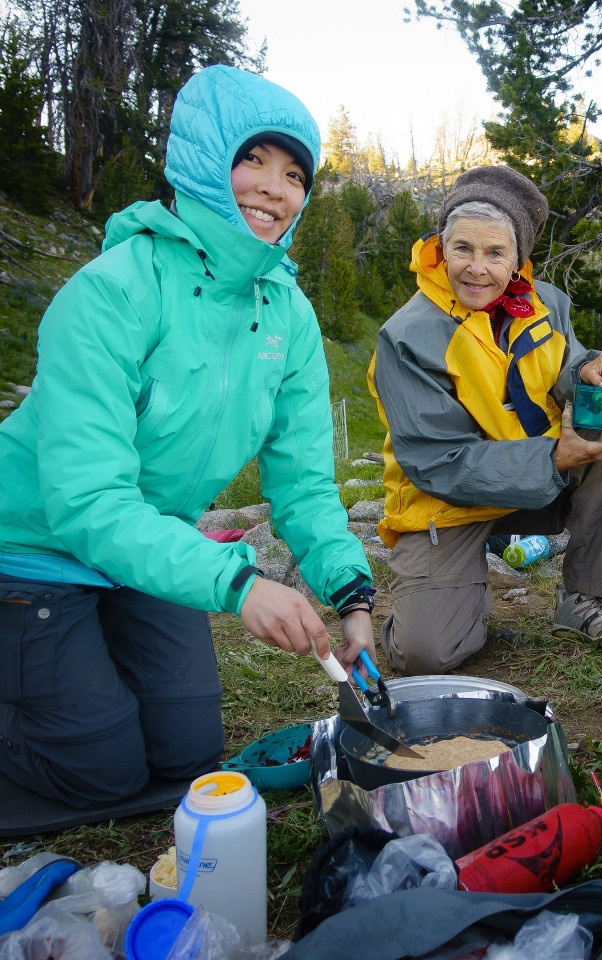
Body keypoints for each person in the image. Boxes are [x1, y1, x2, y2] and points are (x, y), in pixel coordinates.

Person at [0, 65, 376, 809]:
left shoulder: (288, 314)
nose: (275, 187)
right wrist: (238, 586)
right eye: (253, 160)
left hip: (150, 546)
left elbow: (301, 483)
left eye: (295, 172)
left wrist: (353, 598)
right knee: (99, 772)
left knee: (186, 750)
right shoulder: (111, 291)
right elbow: (87, 502)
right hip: (34, 547)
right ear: (204, 160)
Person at [369, 164, 602, 676]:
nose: (477, 268)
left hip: (529, 476)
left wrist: (586, 370)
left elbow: (558, 367)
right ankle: (425, 597)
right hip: (446, 505)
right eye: (463, 249)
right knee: (427, 654)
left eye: (495, 253)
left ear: (518, 260)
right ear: (440, 246)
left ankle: (585, 598)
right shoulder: (407, 337)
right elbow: (439, 464)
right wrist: (552, 458)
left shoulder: (543, 304)